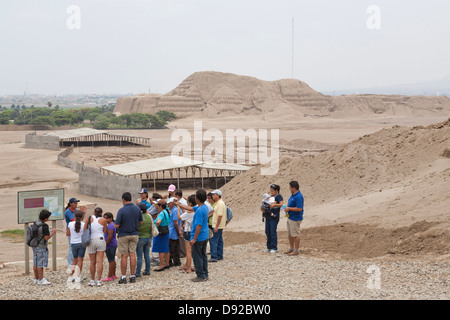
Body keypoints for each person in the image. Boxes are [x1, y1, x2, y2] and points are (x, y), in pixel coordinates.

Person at [115, 192, 143, 284]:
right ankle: (132, 276)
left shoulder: (121, 210)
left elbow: (117, 224)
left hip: (123, 234)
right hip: (134, 234)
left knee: (124, 255)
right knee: (133, 255)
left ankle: (123, 277)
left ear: (123, 199)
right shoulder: (137, 208)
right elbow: (141, 222)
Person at [189, 189, 210, 282]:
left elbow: (198, 225)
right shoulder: (205, 207)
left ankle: (200, 275)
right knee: (203, 256)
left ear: (197, 198)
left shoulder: (199, 211)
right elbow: (190, 208)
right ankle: (205, 274)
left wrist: (194, 239)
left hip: (199, 237)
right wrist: (179, 204)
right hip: (205, 235)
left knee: (197, 256)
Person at [84, 207, 107, 287]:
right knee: (100, 261)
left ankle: (92, 280)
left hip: (91, 240)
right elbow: (105, 231)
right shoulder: (104, 220)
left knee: (92, 262)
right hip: (100, 239)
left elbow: (84, 229)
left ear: (94, 212)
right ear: (101, 213)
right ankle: (99, 280)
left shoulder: (89, 218)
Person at [32, 209, 56, 285]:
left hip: (34, 245)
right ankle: (41, 279)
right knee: (40, 263)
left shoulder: (35, 223)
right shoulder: (45, 226)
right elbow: (46, 238)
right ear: (46, 218)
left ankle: (36, 278)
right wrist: (52, 233)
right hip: (41, 246)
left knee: (35, 262)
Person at [284, 181, 304, 256]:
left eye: (290, 187)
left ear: (293, 187)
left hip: (295, 218)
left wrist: (289, 209)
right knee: (290, 234)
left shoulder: (299, 196)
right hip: (290, 217)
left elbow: (299, 208)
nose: (289, 189)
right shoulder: (293, 195)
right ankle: (291, 248)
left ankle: (296, 250)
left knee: (295, 234)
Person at [66, 210, 86, 283]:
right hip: (81, 243)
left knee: (74, 260)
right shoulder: (84, 224)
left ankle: (70, 276)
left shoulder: (70, 224)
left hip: (73, 243)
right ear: (82, 217)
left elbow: (67, 234)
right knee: (80, 260)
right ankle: (78, 277)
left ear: (74, 216)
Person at [178, 194, 196, 273]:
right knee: (194, 251)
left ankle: (188, 268)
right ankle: (191, 266)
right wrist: (182, 208)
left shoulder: (189, 212)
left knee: (188, 252)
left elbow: (179, 217)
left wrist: (178, 208)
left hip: (188, 232)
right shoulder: (196, 210)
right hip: (193, 231)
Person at [264, 184, 283, 254]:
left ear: (276, 191)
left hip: (274, 216)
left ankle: (274, 247)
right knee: (267, 231)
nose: (271, 192)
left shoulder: (279, 196)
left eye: (272, 191)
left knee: (272, 232)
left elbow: (282, 204)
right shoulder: (270, 197)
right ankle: (269, 246)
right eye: (270, 191)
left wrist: (275, 205)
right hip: (268, 216)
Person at [135, 202, 153, 277]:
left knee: (139, 257)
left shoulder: (138, 218)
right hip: (148, 238)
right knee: (147, 255)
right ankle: (147, 270)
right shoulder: (149, 216)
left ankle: (138, 272)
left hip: (140, 237)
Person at [153, 199, 171, 272]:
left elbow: (158, 221)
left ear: (160, 206)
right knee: (166, 248)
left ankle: (161, 265)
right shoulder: (167, 211)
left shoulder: (161, 213)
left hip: (160, 232)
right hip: (166, 231)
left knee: (161, 249)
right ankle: (167, 263)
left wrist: (156, 228)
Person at [209, 189, 227, 262]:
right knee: (219, 240)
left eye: (214, 195)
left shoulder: (219, 204)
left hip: (217, 226)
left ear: (217, 195)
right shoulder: (219, 203)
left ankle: (214, 257)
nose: (213, 196)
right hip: (219, 225)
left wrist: (216, 226)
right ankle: (219, 255)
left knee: (214, 241)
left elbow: (220, 216)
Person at [102, 212, 118, 282]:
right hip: (113, 244)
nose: (105, 219)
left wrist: (105, 244)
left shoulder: (110, 226)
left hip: (110, 245)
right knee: (112, 260)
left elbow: (109, 237)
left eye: (106, 218)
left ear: (110, 218)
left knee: (111, 261)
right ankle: (113, 275)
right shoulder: (111, 225)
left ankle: (109, 276)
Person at [64, 197, 80, 267]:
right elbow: (74, 220)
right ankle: (70, 263)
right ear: (70, 204)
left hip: (75, 230)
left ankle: (74, 261)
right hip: (70, 231)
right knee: (71, 246)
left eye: (76, 203)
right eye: (74, 203)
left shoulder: (75, 210)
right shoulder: (68, 211)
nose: (76, 204)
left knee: (75, 246)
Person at [167, 198, 183, 267]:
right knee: (176, 247)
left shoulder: (175, 210)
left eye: (169, 203)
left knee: (172, 248)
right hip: (175, 231)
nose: (168, 205)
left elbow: (176, 223)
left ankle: (170, 262)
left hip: (173, 232)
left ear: (172, 203)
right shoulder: (178, 210)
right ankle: (177, 261)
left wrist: (179, 231)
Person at [174, 189, 187, 259]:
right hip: (182, 219)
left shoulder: (182, 203)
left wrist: (183, 223)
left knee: (182, 238)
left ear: (177, 195)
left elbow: (184, 212)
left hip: (182, 220)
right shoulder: (180, 201)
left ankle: (182, 253)